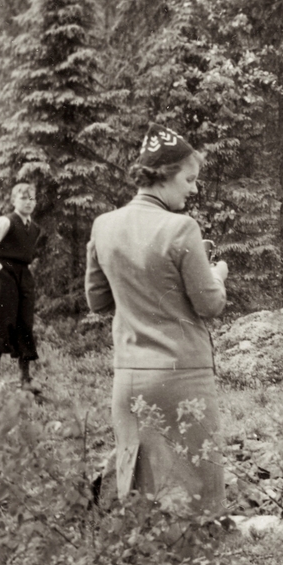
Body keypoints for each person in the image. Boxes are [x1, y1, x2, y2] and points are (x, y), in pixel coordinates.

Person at [85, 124, 229, 516]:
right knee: (195, 497)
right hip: (183, 380)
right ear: (164, 175)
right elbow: (210, 304)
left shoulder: (103, 225)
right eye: (189, 179)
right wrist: (217, 274)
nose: (193, 189)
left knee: (140, 497)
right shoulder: (181, 228)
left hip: (129, 380)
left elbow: (98, 301)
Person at [0, 182, 45, 387]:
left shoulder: (34, 229)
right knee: (3, 318)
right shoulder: (6, 222)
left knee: (25, 322)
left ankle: (25, 375)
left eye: (32, 198)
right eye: (23, 198)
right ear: (14, 200)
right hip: (3, 274)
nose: (28, 202)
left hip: (23, 275)